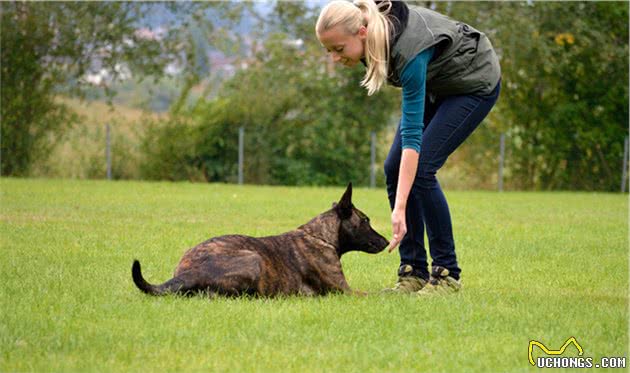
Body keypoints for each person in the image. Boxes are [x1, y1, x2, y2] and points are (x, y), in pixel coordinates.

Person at [316, 0, 501, 294]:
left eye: (338, 49)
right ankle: (413, 272)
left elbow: (413, 138)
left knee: (423, 168)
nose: (335, 59)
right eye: (329, 51)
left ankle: (447, 275)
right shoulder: (367, 23)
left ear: (362, 32)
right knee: (393, 167)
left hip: (472, 84)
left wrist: (399, 207)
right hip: (438, 84)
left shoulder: (409, 53)